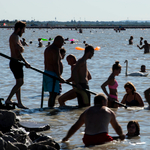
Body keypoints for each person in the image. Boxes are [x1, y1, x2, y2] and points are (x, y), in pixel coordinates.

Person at [5, 21, 30, 109]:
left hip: (17, 62)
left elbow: (20, 50)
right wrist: (25, 62)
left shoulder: (16, 37)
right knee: (20, 82)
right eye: (23, 29)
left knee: (18, 83)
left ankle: (19, 103)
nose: (24, 31)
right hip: (15, 62)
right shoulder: (14, 37)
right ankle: (8, 99)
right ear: (19, 29)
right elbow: (17, 51)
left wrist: (25, 61)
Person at [43, 35, 65, 107]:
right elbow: (56, 63)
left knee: (51, 94)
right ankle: (51, 111)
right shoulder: (55, 49)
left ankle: (50, 109)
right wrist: (59, 76)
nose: (62, 45)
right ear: (57, 41)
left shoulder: (47, 49)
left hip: (46, 72)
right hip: (52, 74)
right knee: (53, 95)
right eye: (62, 43)